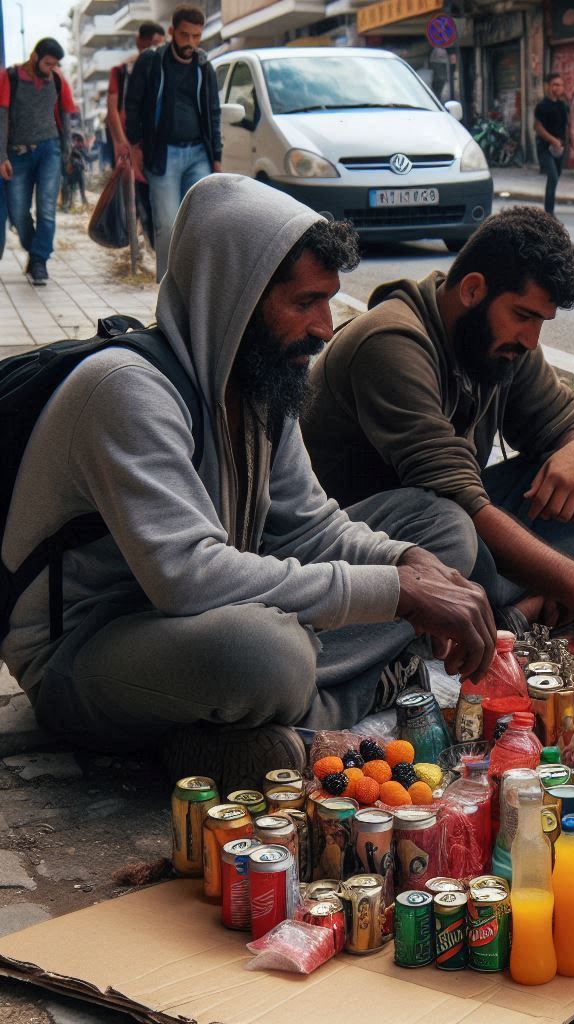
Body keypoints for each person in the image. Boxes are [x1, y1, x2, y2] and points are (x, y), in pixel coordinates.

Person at [0, 174, 496, 792]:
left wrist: (408, 565)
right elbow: (189, 576)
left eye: (328, 302)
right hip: (88, 654)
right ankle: (335, 694)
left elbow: (311, 526)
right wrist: (397, 596)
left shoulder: (260, 382)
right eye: (304, 302)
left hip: (204, 615)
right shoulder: (126, 390)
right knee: (269, 655)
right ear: (232, 298)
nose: (324, 326)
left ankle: (251, 731)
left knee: (443, 532)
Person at [302, 206, 574, 664]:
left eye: (541, 322)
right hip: (370, 538)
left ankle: (504, 604)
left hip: (456, 519)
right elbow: (462, 501)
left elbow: (570, 423)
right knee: (457, 532)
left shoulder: (503, 342)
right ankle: (512, 605)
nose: (531, 339)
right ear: (472, 290)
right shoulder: (390, 342)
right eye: (523, 315)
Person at [125, 5, 221, 281]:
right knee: (167, 224)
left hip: (198, 154)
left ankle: (197, 285)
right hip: (163, 155)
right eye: (184, 35)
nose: (190, 42)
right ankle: (167, 287)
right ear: (171, 32)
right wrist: (135, 146)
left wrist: (217, 155)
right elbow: (132, 104)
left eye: (196, 36)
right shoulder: (151, 61)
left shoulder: (204, 65)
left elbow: (213, 112)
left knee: (201, 221)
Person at [0, 38, 78, 285]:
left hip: (49, 150)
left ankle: (39, 261)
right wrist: (1, 156)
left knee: (46, 209)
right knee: (19, 212)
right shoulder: (10, 78)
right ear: (35, 57)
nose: (50, 68)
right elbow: (1, 119)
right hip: (17, 154)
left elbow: (66, 116)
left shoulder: (56, 79)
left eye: (54, 64)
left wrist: (66, 154)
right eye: (47, 63)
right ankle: (36, 251)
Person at [107, 19, 165, 247]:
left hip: (157, 145)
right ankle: (144, 245)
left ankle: (152, 245)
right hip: (131, 145)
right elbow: (112, 110)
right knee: (138, 199)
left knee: (157, 201)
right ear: (139, 42)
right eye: (151, 43)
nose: (154, 48)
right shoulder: (122, 72)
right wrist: (122, 142)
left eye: (159, 44)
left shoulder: (164, 67)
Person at [534, 73, 570, 216]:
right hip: (545, 148)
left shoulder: (562, 106)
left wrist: (564, 143)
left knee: (555, 179)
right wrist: (553, 140)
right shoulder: (542, 106)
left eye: (560, 85)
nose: (557, 88)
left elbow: (565, 126)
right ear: (548, 86)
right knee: (553, 176)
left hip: (560, 148)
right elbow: (537, 127)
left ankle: (549, 209)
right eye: (554, 84)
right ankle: (549, 213)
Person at [60, 132, 88, 211]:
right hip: (69, 173)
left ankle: (83, 202)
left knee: (80, 189)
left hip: (78, 172)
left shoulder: (81, 150)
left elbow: (84, 163)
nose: (77, 143)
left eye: (78, 141)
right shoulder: (67, 147)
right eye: (76, 141)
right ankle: (66, 204)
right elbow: (64, 161)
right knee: (68, 188)